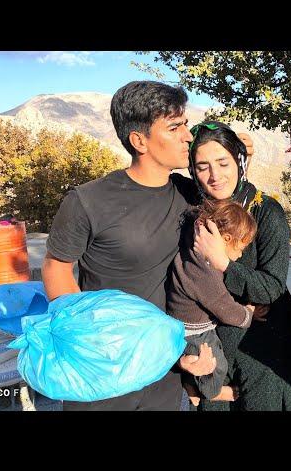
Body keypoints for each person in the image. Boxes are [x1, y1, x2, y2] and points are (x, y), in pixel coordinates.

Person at [42, 81, 240, 411]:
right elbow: (55, 266)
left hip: (165, 369)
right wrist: (88, 337)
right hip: (104, 372)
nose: (187, 137)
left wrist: (237, 151)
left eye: (186, 126)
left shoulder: (189, 195)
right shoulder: (89, 201)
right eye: (175, 127)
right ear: (139, 140)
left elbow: (231, 192)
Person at [186, 121, 291, 411]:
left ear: (240, 163)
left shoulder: (265, 211)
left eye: (223, 162)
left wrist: (223, 263)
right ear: (193, 171)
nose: (215, 175)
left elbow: (271, 287)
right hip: (215, 351)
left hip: (263, 350)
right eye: (203, 166)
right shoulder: (194, 216)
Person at [166, 199, 267, 406]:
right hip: (194, 332)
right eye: (240, 249)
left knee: (197, 361)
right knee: (216, 365)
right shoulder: (204, 273)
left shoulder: (192, 251)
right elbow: (224, 307)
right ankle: (211, 393)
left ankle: (192, 385)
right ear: (226, 238)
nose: (239, 256)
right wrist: (248, 314)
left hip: (185, 327)